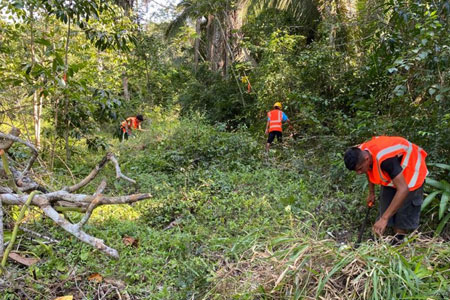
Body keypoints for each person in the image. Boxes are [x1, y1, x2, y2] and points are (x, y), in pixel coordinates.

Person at [344, 136, 428, 244]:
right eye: (356, 170)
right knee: (386, 208)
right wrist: (371, 193)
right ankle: (384, 241)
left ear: (367, 159)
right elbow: (368, 170)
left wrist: (384, 219)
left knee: (401, 215)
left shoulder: (386, 160)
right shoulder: (360, 151)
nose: (359, 173)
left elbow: (403, 189)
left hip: (411, 171)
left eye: (360, 169)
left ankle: (398, 244)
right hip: (394, 171)